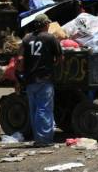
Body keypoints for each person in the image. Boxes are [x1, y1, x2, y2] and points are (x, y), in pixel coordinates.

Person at [16, 14, 62, 147]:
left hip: (30, 80)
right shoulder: (50, 37)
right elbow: (59, 57)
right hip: (45, 79)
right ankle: (44, 140)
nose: (49, 26)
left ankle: (38, 138)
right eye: (47, 23)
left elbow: (20, 59)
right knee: (44, 109)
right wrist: (54, 66)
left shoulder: (26, 38)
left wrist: (19, 77)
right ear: (44, 24)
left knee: (35, 110)